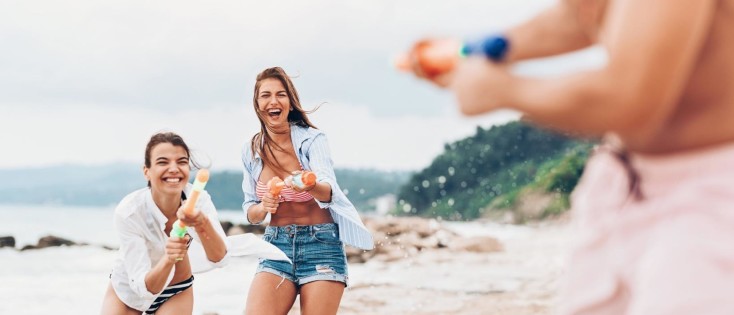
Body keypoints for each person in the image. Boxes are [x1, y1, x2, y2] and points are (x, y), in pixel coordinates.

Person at [404, 0, 734, 314]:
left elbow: (627, 99)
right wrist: (477, 48)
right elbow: (581, 14)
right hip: (620, 187)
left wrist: (502, 89)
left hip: (708, 197)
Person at [241, 67, 374, 315]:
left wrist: (310, 184)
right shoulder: (251, 150)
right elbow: (251, 212)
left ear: (290, 103)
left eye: (281, 94)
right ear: (258, 104)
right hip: (275, 245)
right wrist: (264, 206)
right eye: (265, 95)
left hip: (320, 244)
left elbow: (329, 191)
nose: (273, 101)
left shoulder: (313, 140)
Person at [101, 132, 228, 314]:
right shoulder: (129, 212)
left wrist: (202, 223)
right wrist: (168, 259)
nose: (174, 168)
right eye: (163, 162)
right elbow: (144, 287)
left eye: (182, 162)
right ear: (147, 171)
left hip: (176, 289)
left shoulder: (198, 200)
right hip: (130, 289)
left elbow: (220, 257)